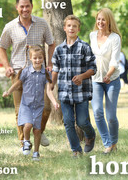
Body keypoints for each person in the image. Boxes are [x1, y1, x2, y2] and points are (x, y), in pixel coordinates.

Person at [0, 0, 55, 147]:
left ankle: (39, 131)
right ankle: (24, 142)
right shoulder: (10, 27)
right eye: (21, 6)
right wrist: (7, 66)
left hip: (39, 73)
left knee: (47, 107)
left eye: (27, 6)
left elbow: (51, 44)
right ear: (17, 7)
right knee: (19, 110)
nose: (25, 9)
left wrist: (50, 64)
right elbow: (1, 47)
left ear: (31, 7)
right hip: (18, 72)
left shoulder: (42, 24)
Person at [2, 46, 59, 160]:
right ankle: (26, 141)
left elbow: (48, 90)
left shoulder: (45, 73)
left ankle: (36, 153)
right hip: (26, 105)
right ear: (30, 58)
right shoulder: (26, 72)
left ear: (43, 58)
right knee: (27, 125)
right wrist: (8, 91)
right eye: (35, 58)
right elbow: (18, 83)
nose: (37, 60)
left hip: (38, 106)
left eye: (40, 58)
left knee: (37, 130)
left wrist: (54, 102)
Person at [51, 15, 96, 157]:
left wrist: (82, 76)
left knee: (82, 121)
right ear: (64, 28)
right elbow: (55, 69)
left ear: (78, 29)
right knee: (69, 122)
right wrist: (51, 83)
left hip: (81, 92)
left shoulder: (84, 47)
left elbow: (93, 68)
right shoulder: (59, 50)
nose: (71, 28)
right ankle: (76, 150)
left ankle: (91, 135)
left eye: (74, 26)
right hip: (64, 92)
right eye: (69, 26)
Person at [90, 8, 122, 154]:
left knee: (111, 116)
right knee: (97, 112)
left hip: (112, 80)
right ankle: (107, 143)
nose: (100, 22)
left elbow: (115, 61)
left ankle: (114, 142)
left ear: (109, 21)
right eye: (98, 19)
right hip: (95, 79)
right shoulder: (92, 35)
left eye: (103, 19)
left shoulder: (115, 38)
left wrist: (108, 75)